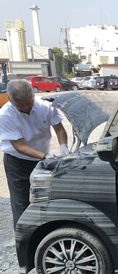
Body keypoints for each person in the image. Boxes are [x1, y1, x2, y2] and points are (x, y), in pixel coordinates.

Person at [0, 79, 69, 226]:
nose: (26, 107)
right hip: (17, 162)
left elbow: (60, 129)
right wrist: (46, 157)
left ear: (33, 95)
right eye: (20, 105)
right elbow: (20, 146)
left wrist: (63, 147)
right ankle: (23, 242)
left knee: (45, 197)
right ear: (11, 100)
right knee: (21, 202)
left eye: (28, 102)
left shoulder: (46, 106)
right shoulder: (5, 115)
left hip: (42, 158)